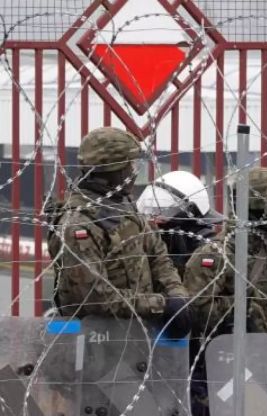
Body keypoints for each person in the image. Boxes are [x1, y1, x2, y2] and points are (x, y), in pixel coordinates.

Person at [47, 127, 192, 337]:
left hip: (137, 340)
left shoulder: (123, 205)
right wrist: (161, 305)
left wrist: (177, 297)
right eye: (130, 165)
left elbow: (158, 257)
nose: (134, 171)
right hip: (94, 345)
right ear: (115, 171)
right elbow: (95, 298)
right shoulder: (79, 224)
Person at [183, 167, 267, 336]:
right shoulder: (216, 254)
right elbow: (196, 312)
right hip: (233, 355)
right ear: (256, 208)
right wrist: (244, 311)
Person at [136, 170, 223, 275]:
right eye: (152, 211)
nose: (154, 218)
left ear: (190, 211)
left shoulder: (207, 248)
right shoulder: (147, 242)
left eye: (163, 211)